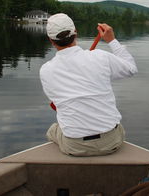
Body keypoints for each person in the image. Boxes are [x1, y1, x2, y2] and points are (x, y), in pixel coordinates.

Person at [40, 13, 138, 156]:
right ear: (75, 33)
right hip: (111, 142)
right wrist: (112, 40)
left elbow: (55, 104)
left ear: (51, 40)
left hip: (74, 147)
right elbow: (131, 69)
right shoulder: (100, 57)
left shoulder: (46, 71)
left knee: (53, 130)